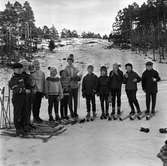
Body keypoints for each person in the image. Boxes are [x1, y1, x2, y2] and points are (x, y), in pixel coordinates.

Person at [9, 63, 27, 136]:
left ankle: (22, 127)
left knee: (24, 112)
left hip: (23, 97)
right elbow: (15, 89)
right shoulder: (13, 79)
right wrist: (24, 90)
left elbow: (27, 85)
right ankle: (18, 129)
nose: (19, 70)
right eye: (18, 69)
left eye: (20, 69)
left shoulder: (22, 77)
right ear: (14, 70)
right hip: (17, 98)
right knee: (17, 113)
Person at [21, 61, 35, 132]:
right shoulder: (21, 75)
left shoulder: (28, 74)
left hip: (30, 93)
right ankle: (24, 124)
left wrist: (33, 85)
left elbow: (31, 83)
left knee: (29, 108)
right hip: (24, 94)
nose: (25, 67)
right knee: (25, 109)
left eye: (26, 66)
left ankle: (28, 122)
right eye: (24, 66)